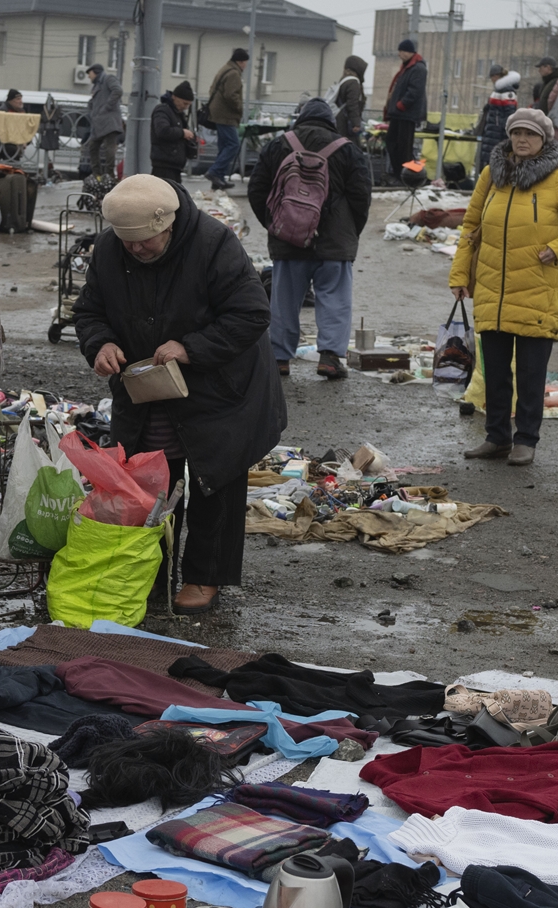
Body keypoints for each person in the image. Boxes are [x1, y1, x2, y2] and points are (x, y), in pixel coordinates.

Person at [73, 175, 286, 612]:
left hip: (220, 388)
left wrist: (191, 348)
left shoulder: (213, 243)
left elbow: (251, 314)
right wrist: (101, 344)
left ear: (168, 225)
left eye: (145, 241)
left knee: (215, 481)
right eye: (126, 242)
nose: (135, 249)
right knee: (150, 480)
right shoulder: (111, 250)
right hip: (149, 389)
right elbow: (90, 311)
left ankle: (205, 577)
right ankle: (152, 568)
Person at [448, 108, 558, 467]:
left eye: (531, 135)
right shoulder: (491, 175)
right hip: (492, 291)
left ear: (544, 141)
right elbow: (470, 228)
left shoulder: (557, 180)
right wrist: (460, 276)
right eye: (517, 133)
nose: (522, 140)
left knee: (531, 375)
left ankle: (527, 440)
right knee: (496, 373)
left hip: (537, 291)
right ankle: (497, 437)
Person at [247, 97, 371, 382]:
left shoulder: (278, 145)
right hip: (335, 244)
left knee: (284, 301)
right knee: (335, 299)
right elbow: (361, 196)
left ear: (300, 118)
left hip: (289, 240)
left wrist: (274, 224)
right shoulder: (348, 150)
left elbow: (257, 188)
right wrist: (351, 232)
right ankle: (329, 357)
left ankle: (279, 359)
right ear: (330, 121)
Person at [384, 39, 427, 183]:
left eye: (401, 51)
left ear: (409, 52)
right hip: (399, 114)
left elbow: (415, 91)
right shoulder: (408, 68)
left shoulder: (418, 68)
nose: (399, 54)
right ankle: (400, 174)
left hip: (406, 114)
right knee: (392, 142)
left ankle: (407, 177)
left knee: (404, 148)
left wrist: (401, 105)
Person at [206, 48, 249, 188]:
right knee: (233, 144)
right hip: (226, 115)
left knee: (224, 146)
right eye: (245, 62)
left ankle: (218, 180)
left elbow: (212, 89)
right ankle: (214, 172)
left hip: (218, 113)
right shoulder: (234, 74)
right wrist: (239, 108)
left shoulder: (225, 69)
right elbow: (231, 95)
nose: (246, 65)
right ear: (241, 61)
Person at [149, 82, 200, 185]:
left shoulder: (177, 114)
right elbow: (162, 131)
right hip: (164, 164)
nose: (185, 107)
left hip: (174, 164)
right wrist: (182, 133)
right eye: (184, 103)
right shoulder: (163, 110)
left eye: (188, 105)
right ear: (174, 97)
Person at [84, 62, 124, 184]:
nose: (89, 76)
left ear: (95, 72)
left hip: (109, 122)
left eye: (89, 73)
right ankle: (98, 174)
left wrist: (106, 108)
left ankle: (109, 175)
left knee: (109, 148)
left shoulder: (108, 78)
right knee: (92, 147)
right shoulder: (96, 85)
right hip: (99, 124)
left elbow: (118, 91)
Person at [476, 71, 520, 177]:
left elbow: (506, 114)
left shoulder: (503, 92)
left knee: (492, 162)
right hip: (496, 132)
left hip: (494, 131)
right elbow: (508, 115)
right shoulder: (505, 92)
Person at [332, 55, 368, 140]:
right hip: (346, 123)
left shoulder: (344, 81)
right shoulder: (353, 83)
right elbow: (352, 104)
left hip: (339, 120)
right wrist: (356, 123)